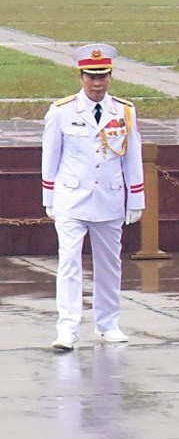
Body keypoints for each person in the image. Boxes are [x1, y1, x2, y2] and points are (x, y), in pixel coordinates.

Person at [40, 43, 143, 351]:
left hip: (109, 197)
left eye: (102, 76)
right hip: (72, 197)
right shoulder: (62, 111)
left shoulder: (124, 111)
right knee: (69, 262)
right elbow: (51, 155)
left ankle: (108, 323)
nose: (97, 84)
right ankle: (68, 328)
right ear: (80, 75)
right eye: (90, 77)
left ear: (110, 76)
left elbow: (132, 156)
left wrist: (136, 199)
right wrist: (49, 196)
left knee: (110, 264)